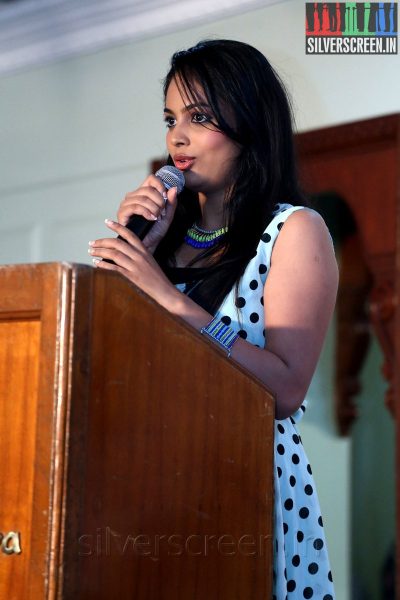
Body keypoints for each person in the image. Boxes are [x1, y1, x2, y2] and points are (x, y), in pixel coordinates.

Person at [88, 39, 338, 599]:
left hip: (245, 486)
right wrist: (141, 252)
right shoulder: (163, 245)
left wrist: (174, 302)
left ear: (248, 123)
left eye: (199, 117)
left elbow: (286, 388)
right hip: (153, 488)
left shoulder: (294, 231)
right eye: (170, 118)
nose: (177, 137)